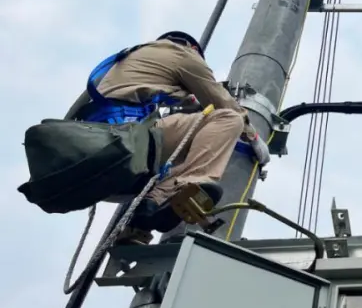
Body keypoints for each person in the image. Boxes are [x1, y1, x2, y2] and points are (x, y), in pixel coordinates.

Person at [65, 31, 270, 241]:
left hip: (92, 163)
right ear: (193, 49)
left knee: (180, 152)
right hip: (127, 143)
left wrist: (185, 100)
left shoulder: (126, 60)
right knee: (227, 119)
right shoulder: (184, 54)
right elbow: (220, 101)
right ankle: (171, 192)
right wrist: (253, 137)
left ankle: (137, 225)